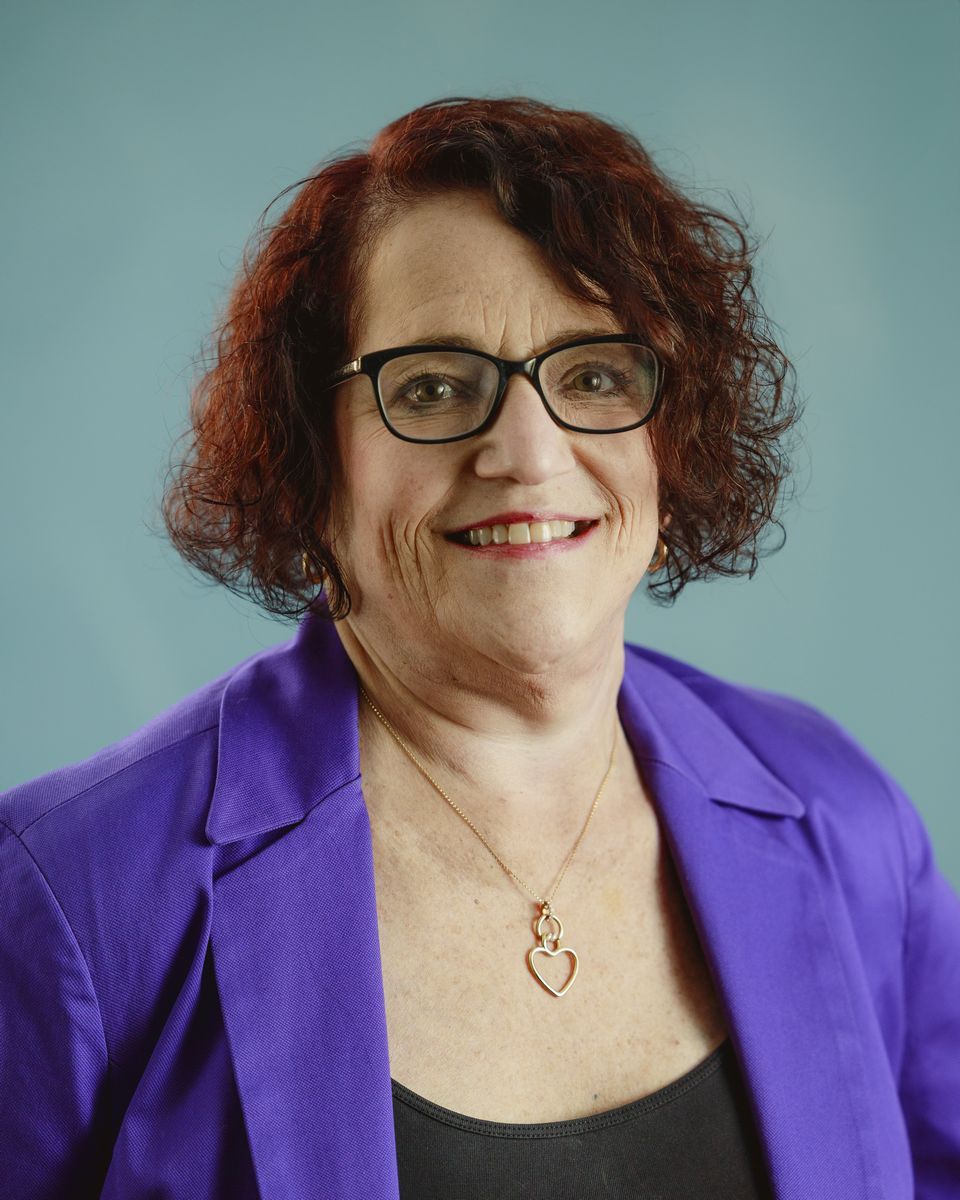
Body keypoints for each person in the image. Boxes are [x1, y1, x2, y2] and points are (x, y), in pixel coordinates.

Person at [1, 95, 957, 1200]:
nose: (528, 455)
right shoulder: (71, 898)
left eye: (594, 374)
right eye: (435, 388)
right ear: (314, 458)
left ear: (670, 428)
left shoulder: (847, 821)